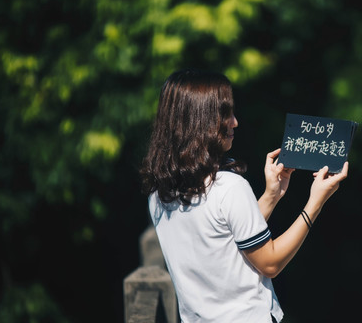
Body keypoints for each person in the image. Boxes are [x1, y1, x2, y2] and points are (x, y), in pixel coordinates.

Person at [140, 68, 348, 323]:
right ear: (200, 121)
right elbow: (270, 263)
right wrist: (315, 202)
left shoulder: (159, 195)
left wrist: (272, 196)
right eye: (225, 114)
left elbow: (223, 240)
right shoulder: (228, 187)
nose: (235, 122)